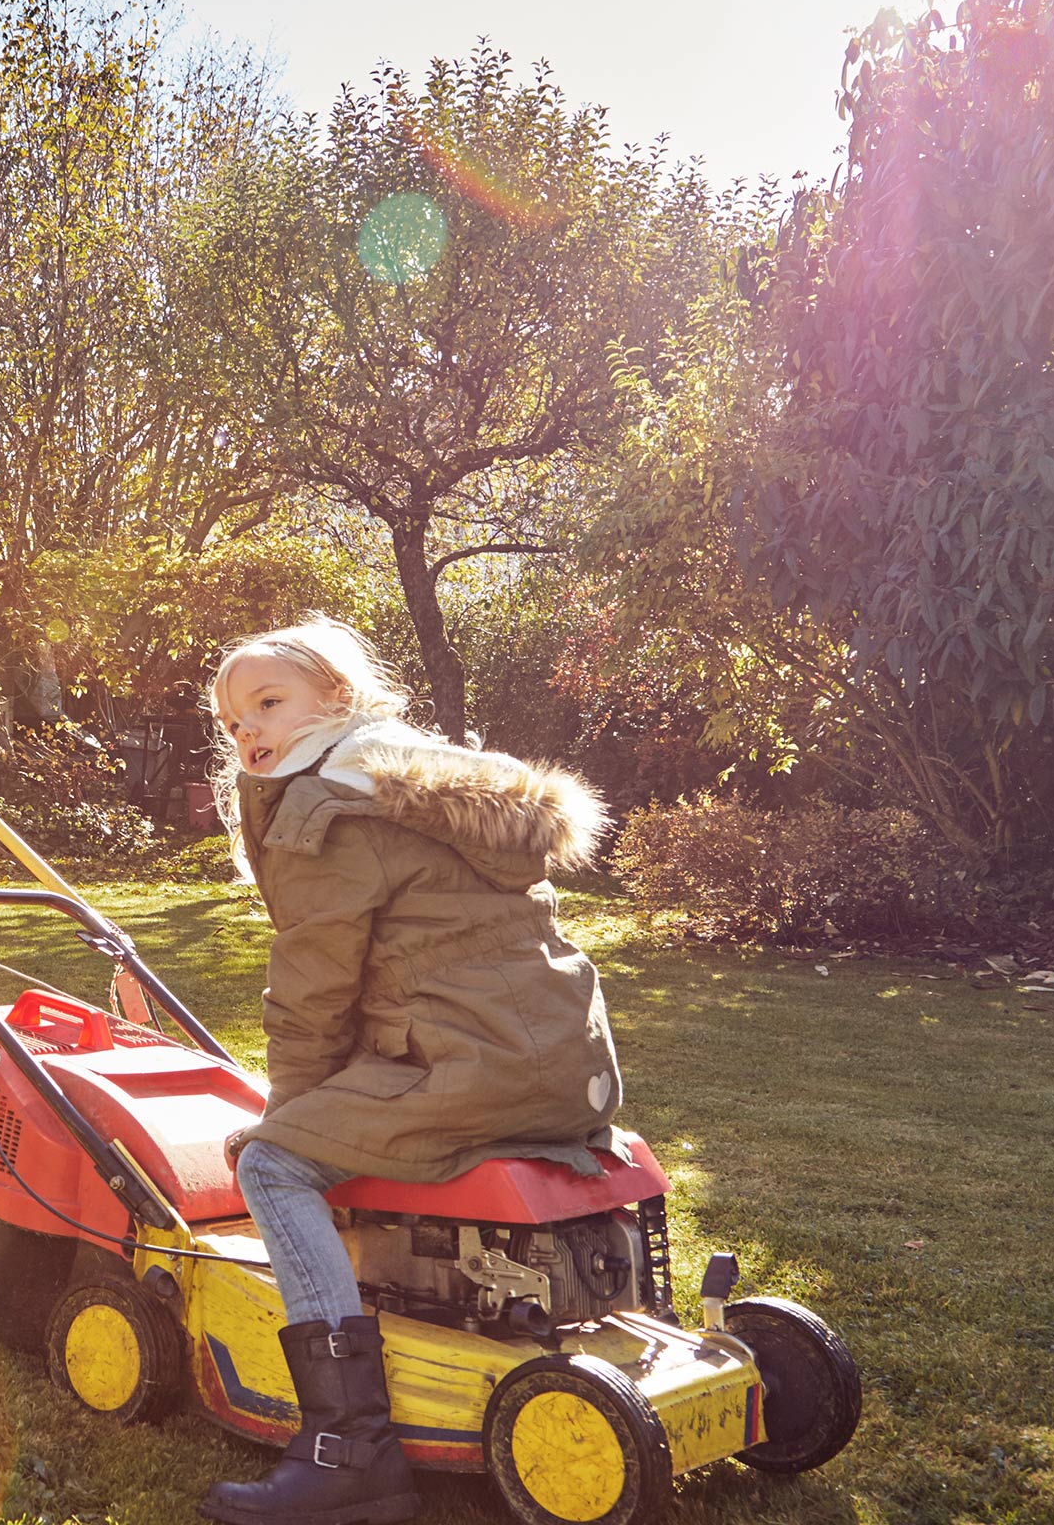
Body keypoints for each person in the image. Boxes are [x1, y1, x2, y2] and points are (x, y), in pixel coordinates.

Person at [198, 618, 622, 1525]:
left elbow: (314, 987)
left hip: (464, 1064)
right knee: (315, 1132)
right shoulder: (434, 785)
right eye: (232, 720)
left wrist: (288, 1116)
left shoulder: (331, 809)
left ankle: (347, 1445)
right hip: (562, 1065)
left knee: (272, 1162)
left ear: (336, 700)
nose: (249, 733)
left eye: (268, 704)